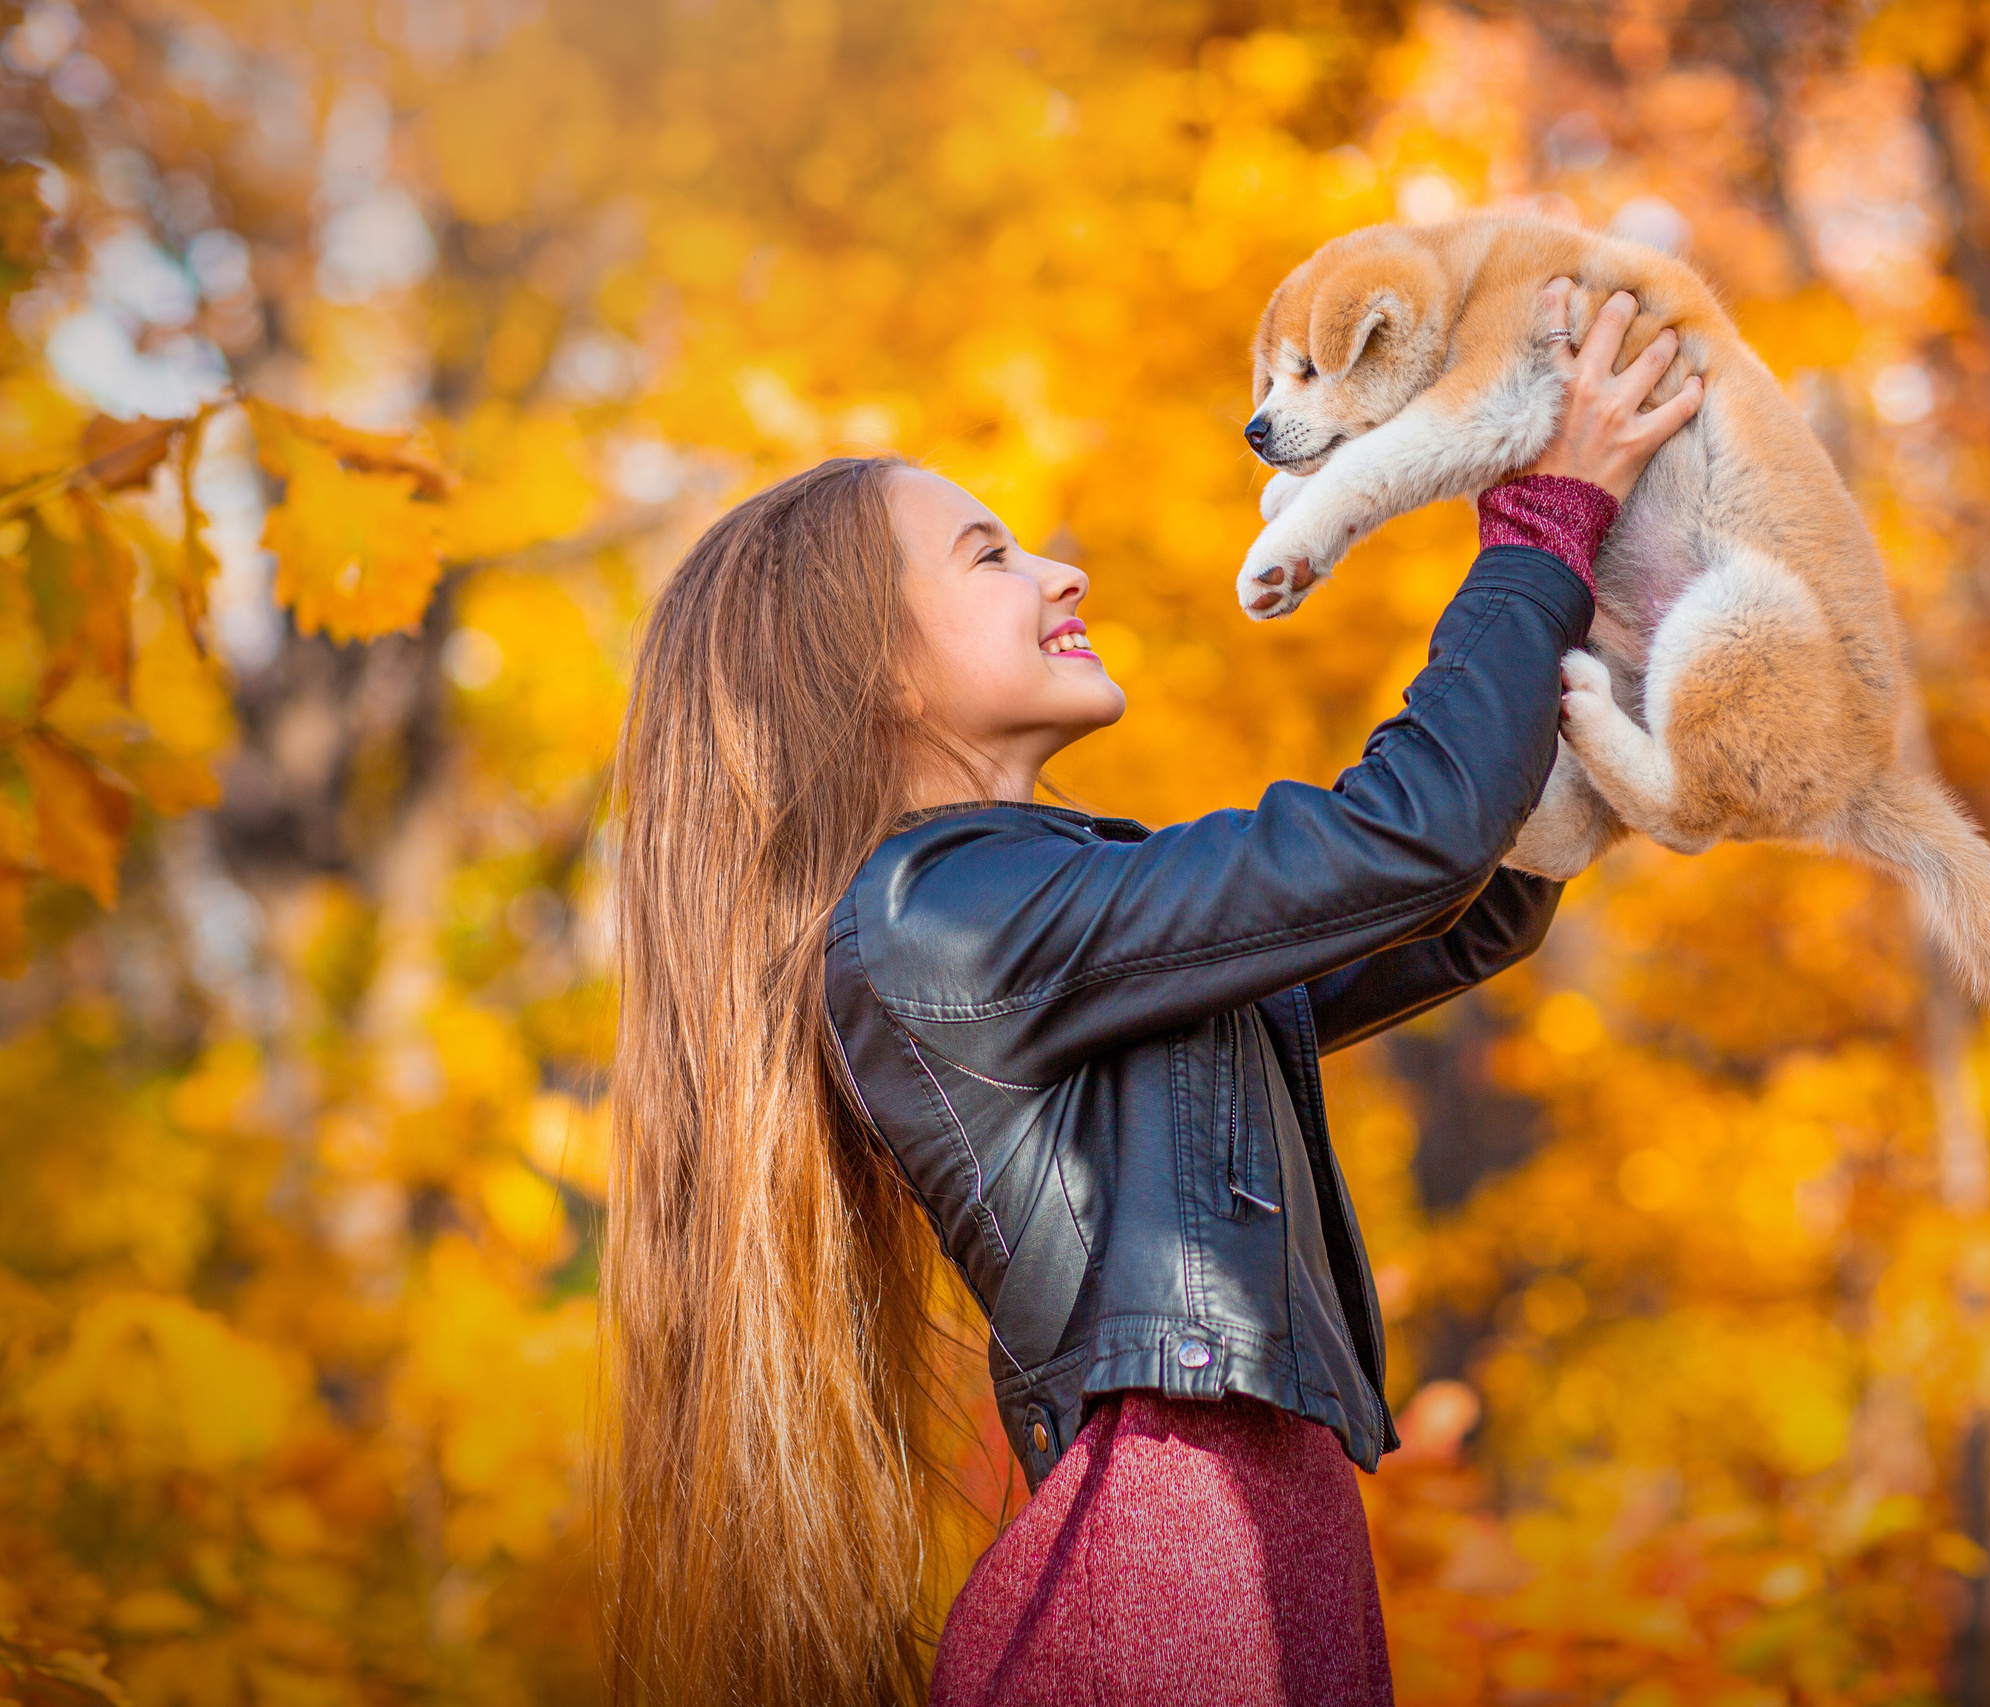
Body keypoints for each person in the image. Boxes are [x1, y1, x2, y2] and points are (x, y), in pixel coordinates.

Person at [602, 282, 1703, 1706]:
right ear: (862, 666)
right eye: (989, 556)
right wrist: (1539, 526)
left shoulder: (1025, 908)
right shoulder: (934, 920)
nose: (1058, 574)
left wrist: (1611, 611)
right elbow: (1409, 836)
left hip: (1250, 1525)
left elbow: (1456, 901)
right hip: (1171, 1551)